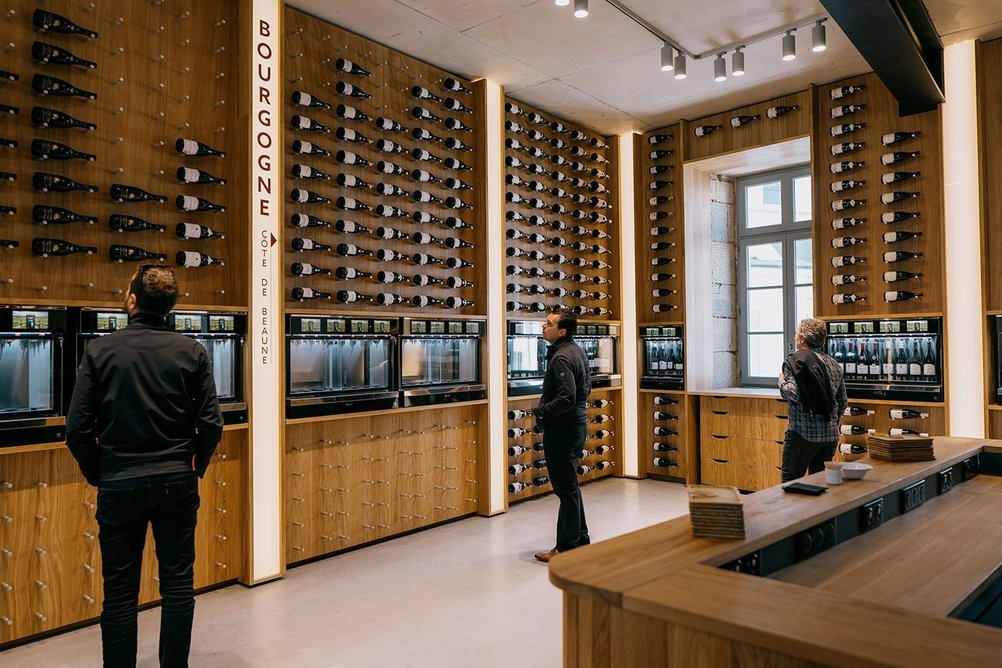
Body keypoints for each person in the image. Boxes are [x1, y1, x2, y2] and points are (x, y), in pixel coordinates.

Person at [66, 265, 223, 668]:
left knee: (119, 592)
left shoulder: (100, 350)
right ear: (170, 306)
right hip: (177, 482)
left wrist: (99, 473)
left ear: (132, 300)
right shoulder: (193, 351)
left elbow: (77, 429)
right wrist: (195, 465)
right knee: (177, 586)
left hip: (120, 483)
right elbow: (211, 424)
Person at [533, 308, 592, 563]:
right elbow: (585, 390)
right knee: (571, 487)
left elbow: (567, 398)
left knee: (565, 490)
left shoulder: (560, 358)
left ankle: (566, 548)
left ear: (562, 331)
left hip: (563, 429)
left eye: (548, 323)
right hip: (576, 425)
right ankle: (581, 539)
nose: (543, 326)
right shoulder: (576, 350)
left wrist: (542, 411)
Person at [778, 318, 847, 483]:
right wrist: (831, 424)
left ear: (802, 339)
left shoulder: (796, 361)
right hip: (829, 436)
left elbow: (792, 393)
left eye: (797, 335)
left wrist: (781, 380)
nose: (795, 339)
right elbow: (842, 401)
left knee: (791, 482)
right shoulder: (834, 364)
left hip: (802, 434)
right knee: (820, 483)